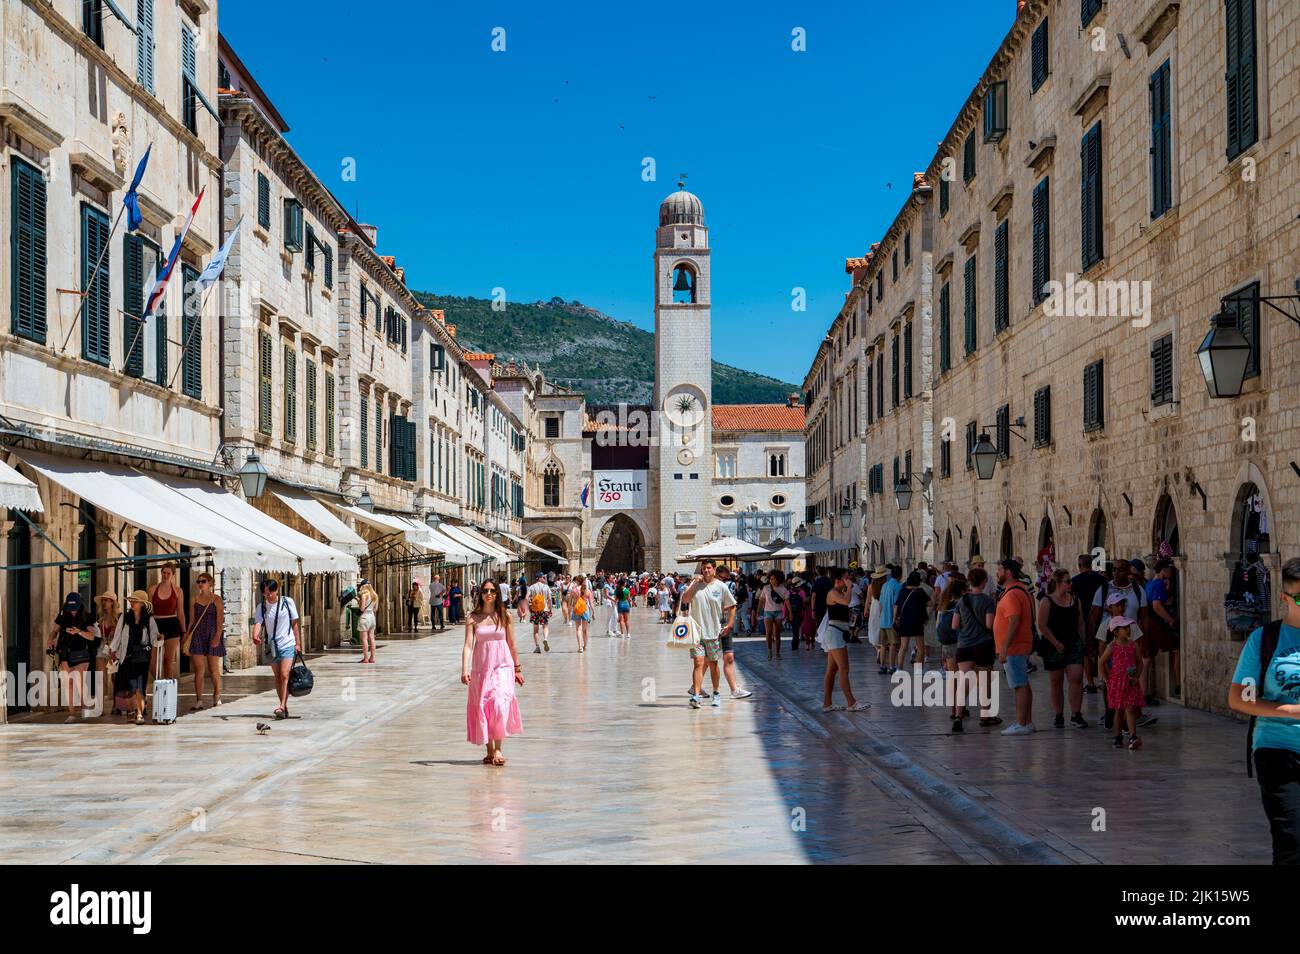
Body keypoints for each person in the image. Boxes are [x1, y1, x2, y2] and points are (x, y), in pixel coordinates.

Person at [1230, 558, 1300, 863]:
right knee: (1292, 840)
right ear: (1284, 598)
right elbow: (1239, 698)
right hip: (1278, 750)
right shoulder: (1264, 640)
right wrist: (1290, 711)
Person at [462, 577, 523, 766]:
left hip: (503, 666)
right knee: (484, 705)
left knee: (498, 703)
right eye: (485, 591)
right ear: (480, 594)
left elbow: (511, 644)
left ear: (497, 594)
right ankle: (489, 750)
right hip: (481, 669)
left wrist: (517, 668)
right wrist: (464, 669)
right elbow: (468, 646)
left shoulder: (505, 616)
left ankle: (498, 749)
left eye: (492, 591)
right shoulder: (472, 618)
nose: (489, 594)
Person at [683, 560, 737, 709]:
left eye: (708, 568)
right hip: (697, 633)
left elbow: (732, 606)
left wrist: (730, 624)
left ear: (714, 569)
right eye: (703, 568)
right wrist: (694, 583)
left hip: (713, 632)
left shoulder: (721, 586)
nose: (706, 571)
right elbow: (685, 599)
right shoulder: (695, 585)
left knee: (713, 664)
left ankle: (716, 693)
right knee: (698, 663)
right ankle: (696, 695)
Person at [1037, 568, 1087, 729]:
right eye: (1068, 581)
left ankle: (1076, 714)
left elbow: (1080, 622)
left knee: (1076, 677)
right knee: (1056, 681)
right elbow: (1042, 625)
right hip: (1053, 644)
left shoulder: (1075, 600)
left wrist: (1084, 641)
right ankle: (1059, 715)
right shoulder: (1047, 601)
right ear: (1058, 583)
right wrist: (1056, 643)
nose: (1071, 584)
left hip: (1073, 643)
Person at [953, 567, 1000, 731]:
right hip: (983, 645)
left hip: (964, 646)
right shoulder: (988, 601)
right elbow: (989, 624)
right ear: (984, 582)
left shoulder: (962, 600)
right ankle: (985, 716)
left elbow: (955, 625)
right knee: (985, 682)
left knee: (964, 681)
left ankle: (958, 716)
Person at [994, 558, 1035, 735]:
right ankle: (1027, 721)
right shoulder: (1018, 590)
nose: (997, 572)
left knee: (1019, 684)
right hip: (1018, 645)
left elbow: (1014, 621)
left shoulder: (1012, 594)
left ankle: (1022, 723)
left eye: (1000, 569)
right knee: (1023, 683)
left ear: (1008, 572)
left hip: (1014, 647)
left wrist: (1004, 647)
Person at [251, 579, 301, 720]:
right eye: (265, 593)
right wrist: (255, 635)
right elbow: (258, 622)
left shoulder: (287, 602)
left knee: (285, 675)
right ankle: (283, 707)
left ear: (276, 590)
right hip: (272, 647)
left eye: (270, 592)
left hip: (288, 643)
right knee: (278, 677)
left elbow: (294, 623)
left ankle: (281, 705)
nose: (268, 596)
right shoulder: (261, 607)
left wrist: (298, 643)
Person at [820, 568, 870, 712]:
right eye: (846, 578)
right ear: (838, 580)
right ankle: (851, 703)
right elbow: (847, 602)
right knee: (844, 668)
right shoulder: (833, 593)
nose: (849, 581)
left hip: (838, 632)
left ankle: (827, 703)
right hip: (835, 633)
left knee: (832, 670)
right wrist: (849, 588)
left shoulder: (840, 592)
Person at [109, 590, 160, 725]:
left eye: (135, 601)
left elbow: (154, 637)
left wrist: (160, 638)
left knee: (140, 687)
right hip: (126, 656)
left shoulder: (149, 619)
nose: (132, 603)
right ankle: (132, 711)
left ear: (142, 604)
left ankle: (139, 714)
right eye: (131, 600)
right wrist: (112, 651)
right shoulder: (124, 618)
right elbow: (118, 636)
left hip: (142, 657)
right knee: (129, 686)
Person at [48, 592, 98, 722]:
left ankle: (84, 706)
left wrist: (79, 632)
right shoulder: (63, 614)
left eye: (75, 608)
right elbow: (55, 630)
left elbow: (92, 636)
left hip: (81, 652)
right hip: (65, 652)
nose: (73, 611)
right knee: (68, 682)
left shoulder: (87, 616)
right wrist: (50, 639)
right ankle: (71, 714)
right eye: (71, 608)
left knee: (79, 680)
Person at [1100, 616, 1145, 750]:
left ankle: (1133, 736)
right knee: (1119, 711)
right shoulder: (1112, 646)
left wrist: (1137, 676)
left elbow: (1140, 662)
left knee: (1130, 709)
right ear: (1115, 632)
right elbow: (1102, 662)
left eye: (1128, 627)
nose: (1128, 629)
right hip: (1117, 683)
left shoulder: (1133, 645)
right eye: (1124, 628)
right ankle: (1118, 735)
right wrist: (1107, 678)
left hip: (1131, 682)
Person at [713, 566, 754, 700]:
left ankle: (734, 689)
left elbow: (733, 605)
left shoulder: (724, 587)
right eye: (725, 575)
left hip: (724, 625)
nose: (727, 578)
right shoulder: (708, 587)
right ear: (718, 573)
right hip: (711, 626)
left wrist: (730, 624)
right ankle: (696, 687)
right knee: (708, 660)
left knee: (729, 657)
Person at [186, 571, 225, 710]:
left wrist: (217, 638)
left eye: (203, 581)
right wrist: (186, 636)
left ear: (210, 583)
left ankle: (217, 694)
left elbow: (220, 621)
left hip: (212, 634)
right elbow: (192, 620)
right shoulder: (194, 599)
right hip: (197, 635)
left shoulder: (217, 600)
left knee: (214, 669)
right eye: (198, 582)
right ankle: (199, 700)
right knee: (199, 669)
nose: (200, 584)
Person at [1072, 554, 1107, 694]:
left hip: (1084, 620)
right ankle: (1105, 680)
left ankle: (1091, 684)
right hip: (1102, 619)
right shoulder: (1102, 580)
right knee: (1102, 650)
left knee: (1087, 653)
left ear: (1079, 565)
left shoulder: (1074, 581)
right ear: (1091, 564)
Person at [1145, 558, 1180, 698]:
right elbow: (1156, 606)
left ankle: (1143, 693)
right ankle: (1178, 685)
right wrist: (1170, 619)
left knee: (1147, 658)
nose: (1171, 572)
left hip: (1148, 625)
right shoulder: (1159, 584)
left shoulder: (1150, 584)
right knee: (1177, 649)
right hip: (1156, 625)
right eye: (1170, 569)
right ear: (1164, 570)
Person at [149, 562, 187, 683]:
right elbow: (149, 610)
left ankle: (168, 689)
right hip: (156, 624)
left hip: (172, 624)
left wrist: (184, 631)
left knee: (168, 660)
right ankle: (160, 684)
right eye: (164, 572)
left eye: (168, 573)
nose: (165, 575)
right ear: (161, 573)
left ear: (173, 575)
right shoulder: (152, 589)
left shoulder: (178, 591)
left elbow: (180, 612)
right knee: (153, 663)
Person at [937, 577, 965, 722]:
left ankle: (953, 709)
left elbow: (939, 626)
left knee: (953, 678)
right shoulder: (961, 605)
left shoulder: (944, 605)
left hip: (947, 645)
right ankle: (960, 708)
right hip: (959, 643)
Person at [894, 571, 931, 672]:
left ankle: (899, 669)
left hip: (904, 620)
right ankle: (919, 669)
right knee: (920, 646)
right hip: (917, 621)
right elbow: (930, 603)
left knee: (903, 646)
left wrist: (894, 619)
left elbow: (896, 605)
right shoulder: (920, 591)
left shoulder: (902, 591)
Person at [94, 591, 119, 713]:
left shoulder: (119, 618)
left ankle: (116, 705)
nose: (104, 603)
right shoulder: (99, 619)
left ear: (112, 603)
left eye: (107, 600)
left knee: (115, 678)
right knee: (100, 677)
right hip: (102, 648)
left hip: (114, 650)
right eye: (103, 600)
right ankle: (99, 707)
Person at [878, 565, 903, 673]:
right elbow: (896, 604)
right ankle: (892, 666)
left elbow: (881, 603)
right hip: (891, 620)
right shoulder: (898, 587)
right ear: (900, 576)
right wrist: (895, 620)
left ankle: (883, 666)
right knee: (893, 644)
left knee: (883, 644)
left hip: (883, 620)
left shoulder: (884, 585)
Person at [760, 570, 789, 661]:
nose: (772, 581)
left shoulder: (783, 589)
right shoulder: (766, 588)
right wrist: (759, 610)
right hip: (768, 612)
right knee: (768, 633)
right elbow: (762, 599)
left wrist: (790, 613)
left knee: (777, 634)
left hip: (778, 612)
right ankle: (769, 651)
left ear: (778, 579)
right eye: (771, 579)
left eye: (774, 579)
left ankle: (777, 652)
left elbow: (787, 601)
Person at [526, 572, 553, 652]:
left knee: (535, 629)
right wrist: (550, 609)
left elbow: (527, 598)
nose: (544, 579)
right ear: (540, 578)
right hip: (544, 609)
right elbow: (550, 599)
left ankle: (537, 647)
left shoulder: (531, 587)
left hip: (535, 610)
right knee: (545, 626)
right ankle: (545, 638)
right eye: (543, 577)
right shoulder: (546, 587)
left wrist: (530, 606)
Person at [356, 582, 379, 664]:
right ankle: (372, 657)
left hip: (365, 617)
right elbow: (375, 609)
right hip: (372, 617)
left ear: (363, 586)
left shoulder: (364, 595)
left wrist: (359, 601)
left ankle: (365, 658)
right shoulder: (375, 595)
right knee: (372, 638)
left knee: (364, 639)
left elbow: (362, 609)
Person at [571, 574, 593, 653]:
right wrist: (593, 612)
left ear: (577, 581)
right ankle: (585, 646)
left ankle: (580, 647)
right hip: (585, 610)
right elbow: (591, 603)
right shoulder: (587, 590)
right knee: (585, 629)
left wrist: (571, 610)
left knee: (578, 628)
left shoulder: (574, 590)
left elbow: (571, 602)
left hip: (577, 610)